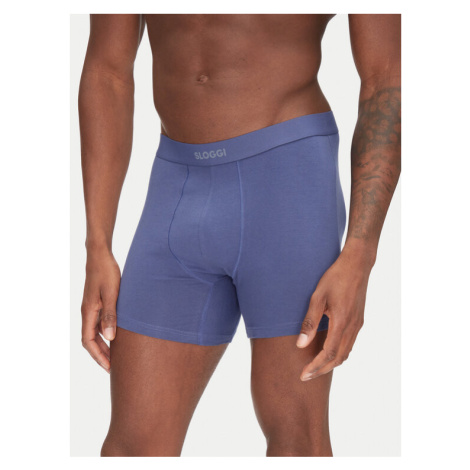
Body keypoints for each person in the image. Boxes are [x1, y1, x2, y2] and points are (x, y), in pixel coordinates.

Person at [78, 14, 401, 457]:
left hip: (287, 183)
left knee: (296, 439)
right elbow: (108, 70)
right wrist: (97, 243)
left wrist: (361, 251)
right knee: (131, 449)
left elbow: (386, 77)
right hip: (176, 187)